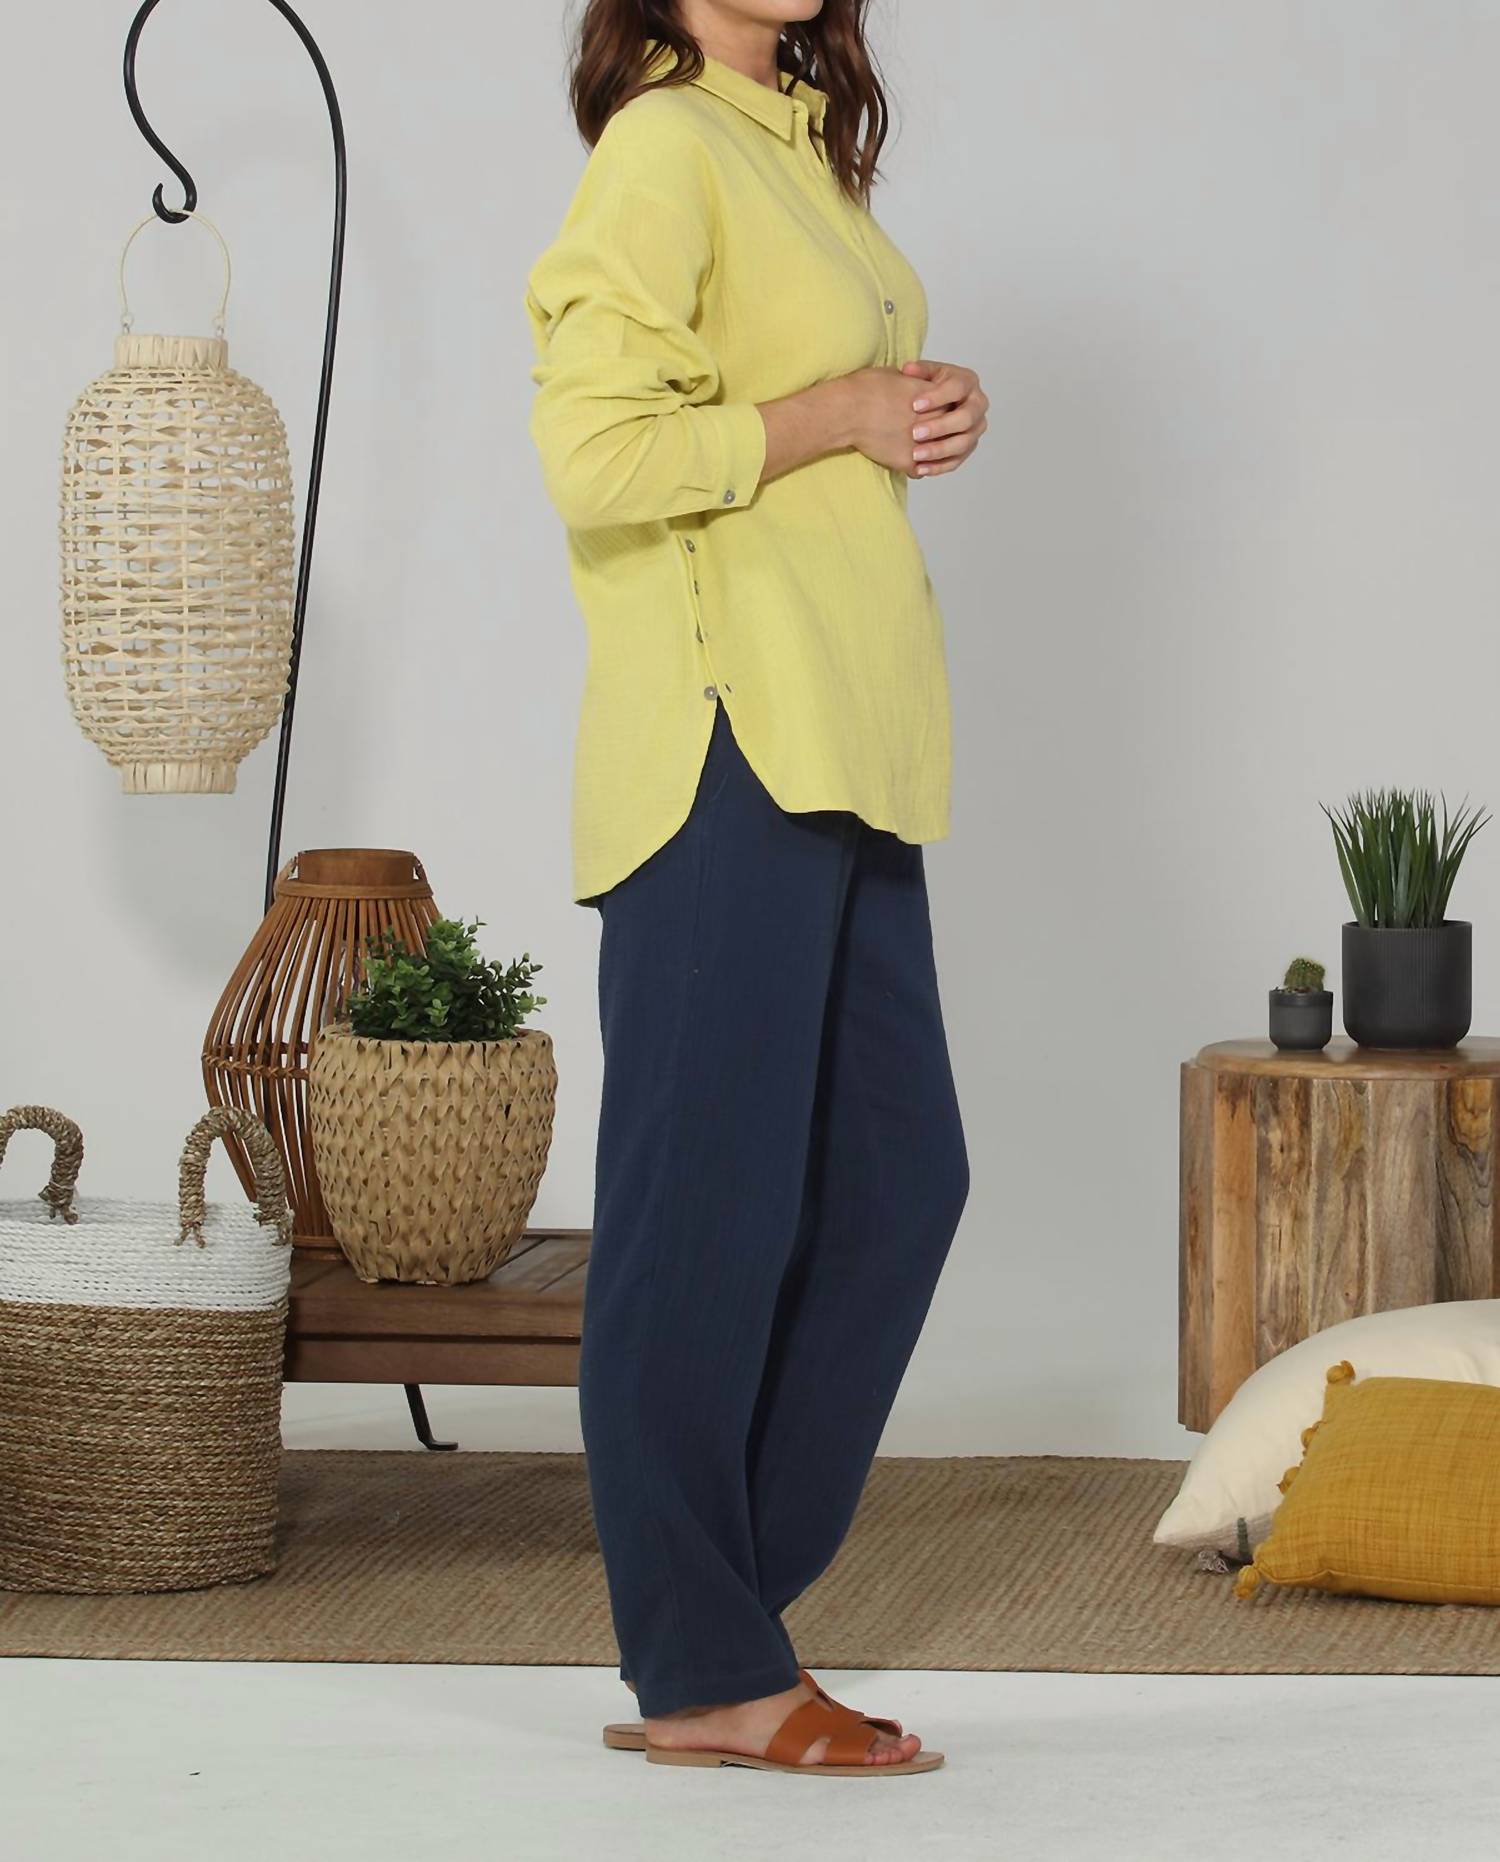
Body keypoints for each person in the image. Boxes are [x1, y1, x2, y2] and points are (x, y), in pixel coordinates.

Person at [525, 0, 985, 1778]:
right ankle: (709, 1657)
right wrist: (834, 412)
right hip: (727, 733)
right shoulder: (664, 147)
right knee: (700, 1212)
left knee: (901, 1182)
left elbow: (809, 411)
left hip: (849, 741)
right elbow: (595, 455)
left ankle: (714, 1617)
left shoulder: (792, 143)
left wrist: (917, 403)